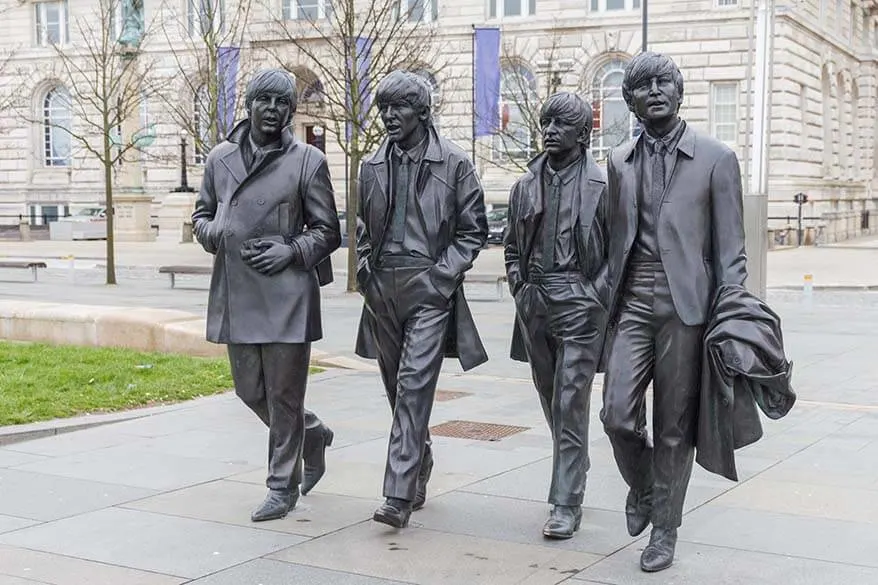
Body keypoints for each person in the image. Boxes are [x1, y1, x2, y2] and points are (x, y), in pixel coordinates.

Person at [600, 52, 747, 572]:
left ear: (679, 93)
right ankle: (644, 485)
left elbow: (732, 254)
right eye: (643, 85)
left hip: (688, 307)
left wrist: (730, 319)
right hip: (634, 302)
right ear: (631, 99)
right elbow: (610, 239)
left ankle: (665, 528)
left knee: (673, 427)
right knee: (616, 413)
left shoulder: (715, 158)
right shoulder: (618, 162)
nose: (655, 91)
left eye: (665, 82)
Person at [192, 69, 340, 522]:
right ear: (250, 105)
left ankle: (282, 486)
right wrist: (212, 231)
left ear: (291, 112)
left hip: (288, 294)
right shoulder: (219, 159)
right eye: (265, 101)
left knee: (283, 395)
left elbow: (329, 231)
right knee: (249, 390)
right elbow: (200, 217)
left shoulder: (307, 161)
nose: (273, 110)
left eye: (282, 104)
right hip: (238, 292)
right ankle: (311, 435)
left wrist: (291, 251)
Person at [354, 70, 489, 528]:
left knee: (413, 387)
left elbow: (474, 231)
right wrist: (365, 272)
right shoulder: (370, 166)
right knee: (396, 390)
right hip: (382, 290)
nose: (389, 117)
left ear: (423, 112)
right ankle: (420, 458)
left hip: (429, 288)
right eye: (384, 109)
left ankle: (398, 493)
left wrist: (441, 278)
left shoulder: (454, 164)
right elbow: (361, 229)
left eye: (399, 108)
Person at [504, 92, 610, 540]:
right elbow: (512, 246)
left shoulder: (603, 187)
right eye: (546, 122)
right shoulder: (525, 184)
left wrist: (593, 295)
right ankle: (575, 461)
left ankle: (566, 502)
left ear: (584, 135)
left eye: (561, 125)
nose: (549, 130)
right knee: (551, 399)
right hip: (536, 302)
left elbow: (617, 254)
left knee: (571, 400)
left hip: (579, 302)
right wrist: (519, 287)